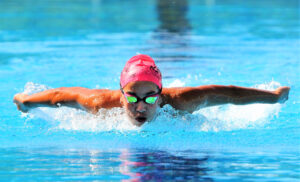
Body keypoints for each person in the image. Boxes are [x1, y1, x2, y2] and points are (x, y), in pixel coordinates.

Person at [13, 54, 290, 126]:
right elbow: (62, 96)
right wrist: (27, 101)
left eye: (149, 98)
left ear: (161, 93)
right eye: (132, 98)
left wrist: (275, 98)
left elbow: (229, 94)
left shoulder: (180, 102)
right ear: (121, 93)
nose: (141, 107)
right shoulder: (101, 103)